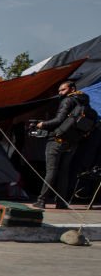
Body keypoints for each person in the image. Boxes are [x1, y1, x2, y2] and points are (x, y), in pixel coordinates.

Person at [34, 81, 94, 209]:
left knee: (51, 171)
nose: (60, 93)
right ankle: (61, 202)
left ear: (72, 89)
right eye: (59, 90)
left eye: (63, 90)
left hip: (57, 140)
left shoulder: (68, 101)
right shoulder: (85, 103)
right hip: (72, 143)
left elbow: (59, 120)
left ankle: (41, 200)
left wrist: (42, 124)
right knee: (64, 173)